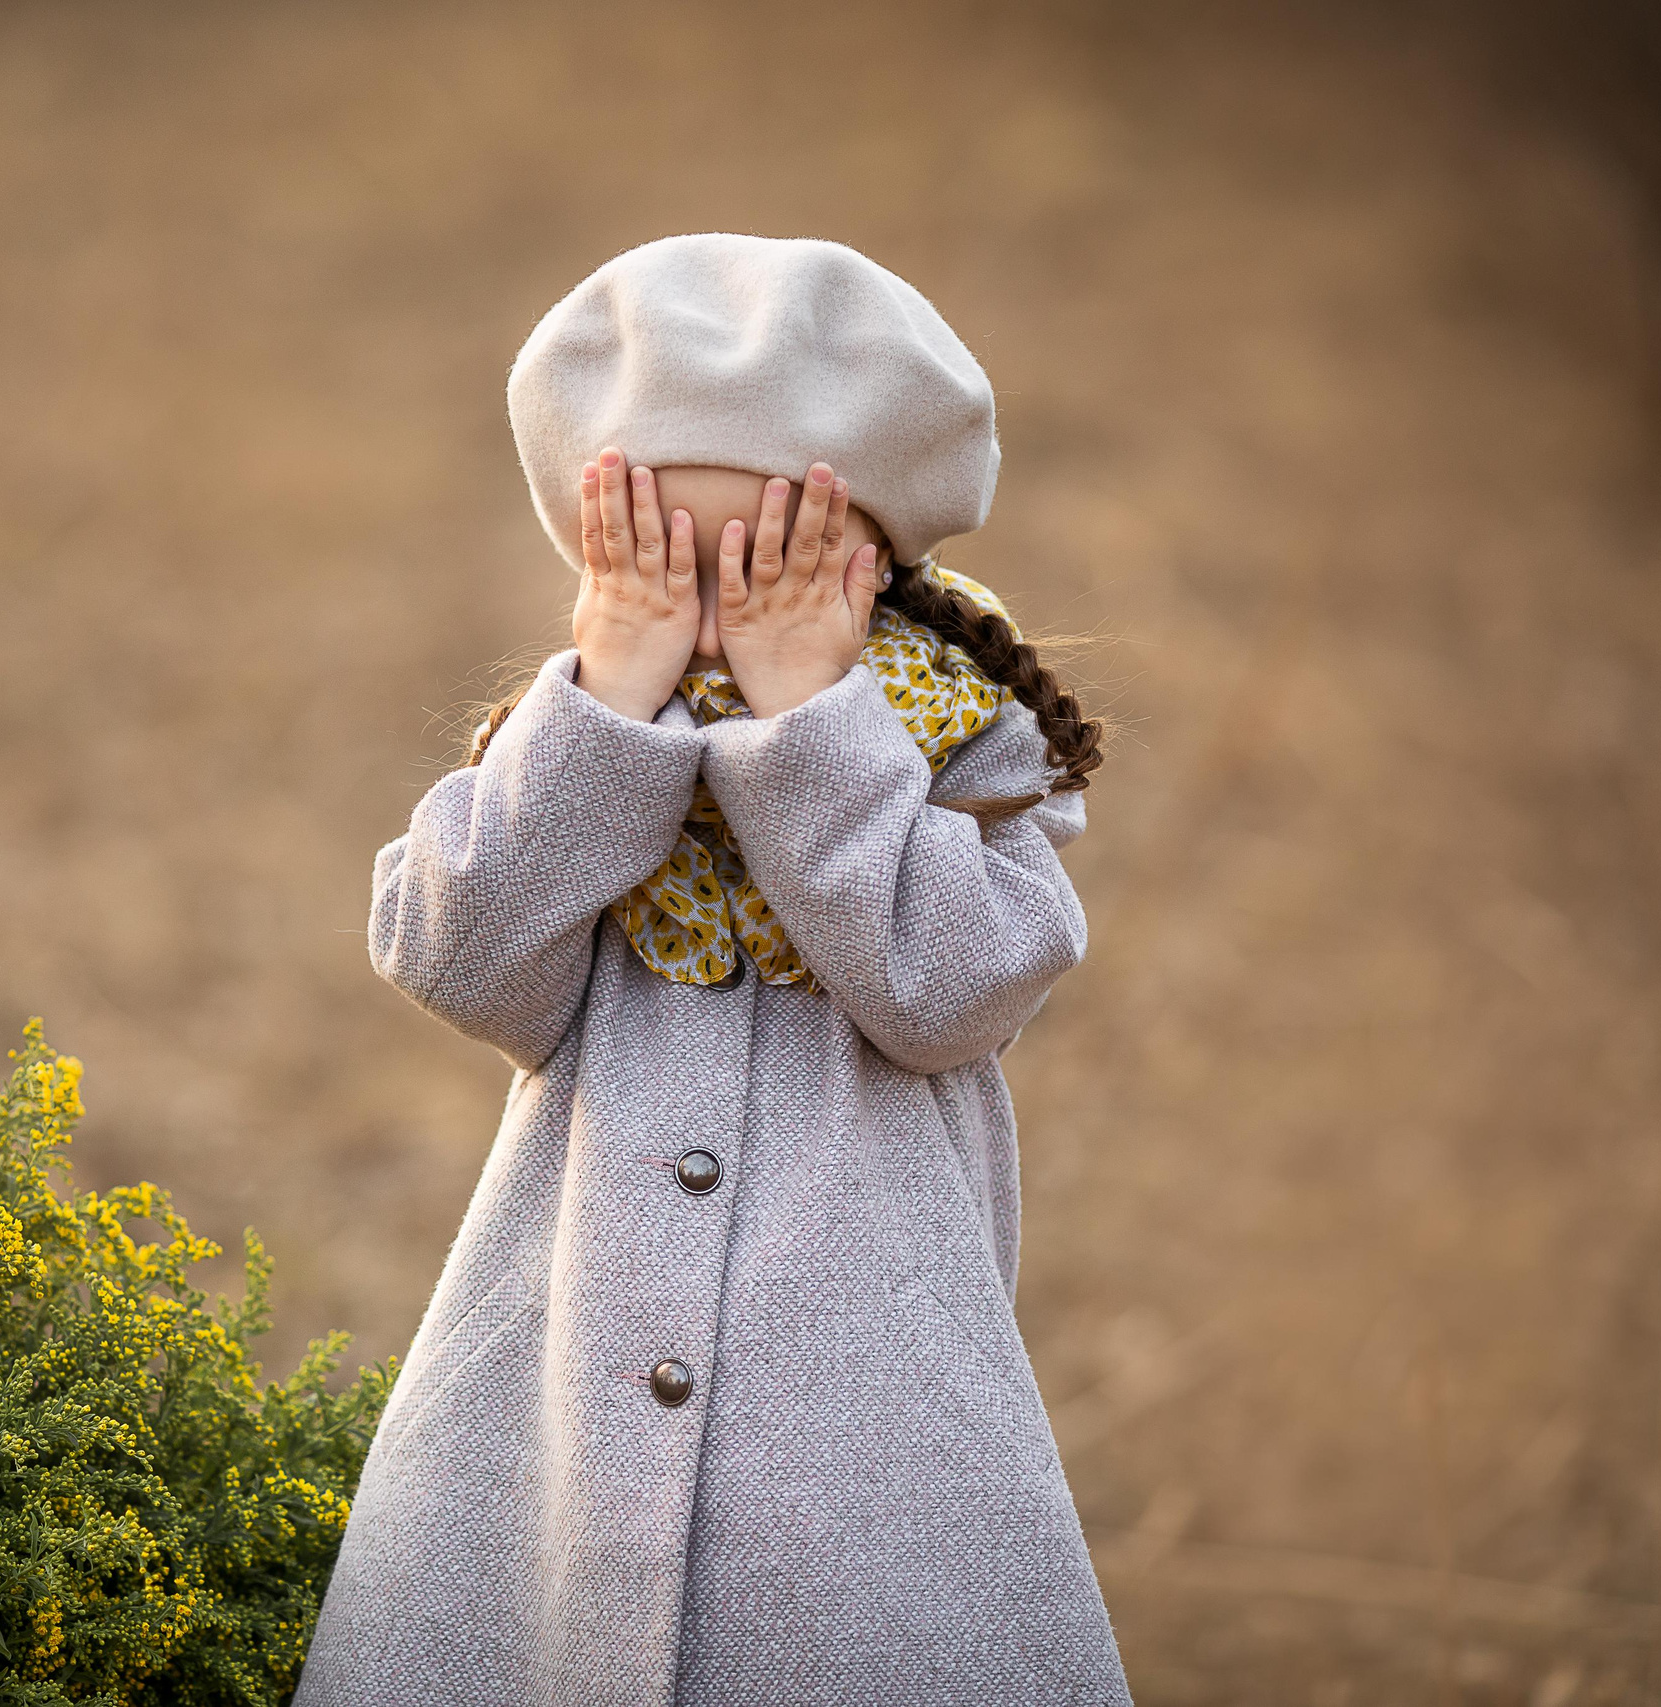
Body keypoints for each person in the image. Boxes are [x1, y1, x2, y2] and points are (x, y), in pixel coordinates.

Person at [294, 233, 1128, 1707]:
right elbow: (455, 957)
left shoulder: (962, 747)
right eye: (663, 560)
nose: (716, 614)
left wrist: (812, 730)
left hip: (869, 1440)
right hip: (559, 1402)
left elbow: (948, 996)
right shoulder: (577, 753)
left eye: (767, 562)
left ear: (870, 554)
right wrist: (609, 707)